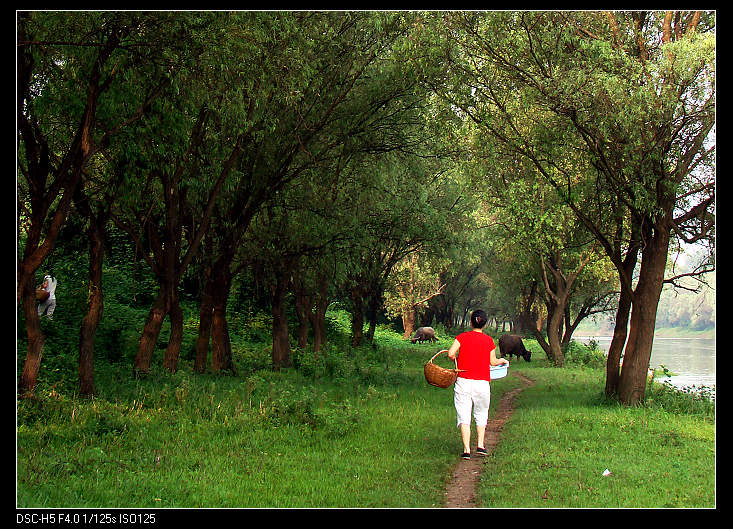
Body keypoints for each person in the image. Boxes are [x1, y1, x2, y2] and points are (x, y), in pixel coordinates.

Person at [447, 309, 509, 460]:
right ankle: (480, 446)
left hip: (463, 381)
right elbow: (493, 362)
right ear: (485, 324)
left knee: (464, 414)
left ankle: (467, 449)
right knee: (481, 413)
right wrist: (503, 361)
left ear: (471, 322)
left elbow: (450, 353)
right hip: (482, 383)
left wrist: (455, 357)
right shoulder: (489, 341)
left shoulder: (462, 337)